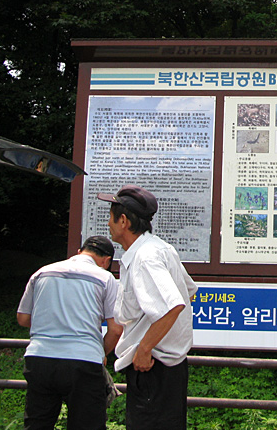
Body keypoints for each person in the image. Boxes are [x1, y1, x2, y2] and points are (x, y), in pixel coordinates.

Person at [97, 184, 198, 430]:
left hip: (153, 366)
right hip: (166, 368)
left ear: (123, 221)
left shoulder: (145, 256)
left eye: (110, 218)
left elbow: (172, 305)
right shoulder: (160, 248)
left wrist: (145, 347)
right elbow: (189, 289)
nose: (108, 224)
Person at [17, 236, 123, 430]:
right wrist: (102, 353)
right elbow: (116, 329)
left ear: (79, 252)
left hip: (40, 358)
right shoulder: (105, 277)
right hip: (83, 360)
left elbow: (23, 318)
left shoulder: (42, 272)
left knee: (37, 423)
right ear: (106, 261)